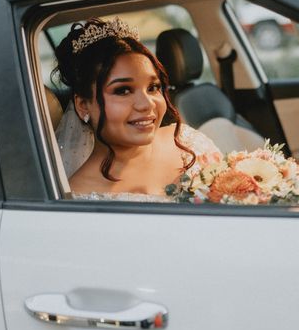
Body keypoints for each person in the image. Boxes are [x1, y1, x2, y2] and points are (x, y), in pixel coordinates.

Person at [54, 17, 222, 202]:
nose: (147, 104)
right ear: (83, 105)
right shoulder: (78, 197)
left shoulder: (191, 145)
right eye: (123, 91)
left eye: (153, 88)